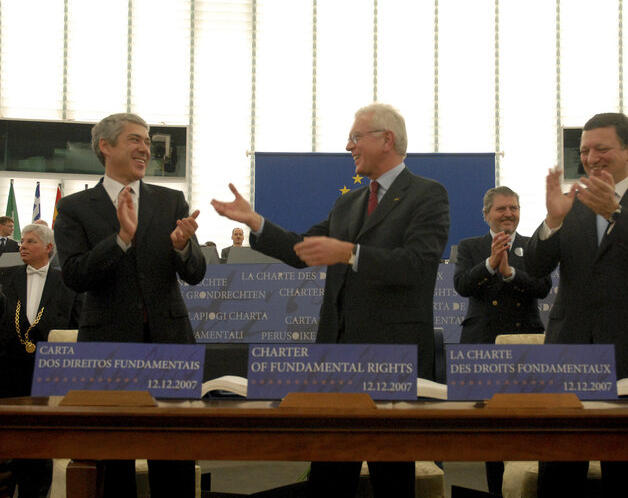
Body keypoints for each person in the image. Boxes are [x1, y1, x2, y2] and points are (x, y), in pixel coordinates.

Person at [212, 102, 450, 498]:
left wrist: (350, 254)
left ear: (386, 139)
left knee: (391, 479)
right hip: (334, 363)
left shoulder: (427, 194)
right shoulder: (348, 203)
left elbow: (418, 265)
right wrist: (256, 222)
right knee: (329, 476)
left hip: (390, 361)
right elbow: (299, 250)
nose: (348, 146)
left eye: (356, 137)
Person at [524, 113, 628, 498]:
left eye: (602, 148)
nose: (592, 158)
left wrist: (615, 211)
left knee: (623, 470)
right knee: (560, 466)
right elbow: (535, 268)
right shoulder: (570, 201)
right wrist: (553, 222)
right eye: (584, 151)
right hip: (569, 348)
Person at [54, 112, 206, 498]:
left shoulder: (171, 199)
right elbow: (73, 275)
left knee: (173, 455)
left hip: (170, 344)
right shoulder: (74, 208)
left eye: (147, 142)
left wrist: (182, 247)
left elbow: (195, 274)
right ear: (105, 146)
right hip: (107, 348)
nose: (145, 149)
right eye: (135, 140)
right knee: (110, 460)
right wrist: (121, 238)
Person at [453, 186, 551, 497]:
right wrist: (490, 264)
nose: (508, 213)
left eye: (513, 208)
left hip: (527, 344)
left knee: (531, 423)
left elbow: (543, 287)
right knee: (491, 428)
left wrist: (510, 273)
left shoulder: (533, 246)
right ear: (486, 215)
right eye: (501, 209)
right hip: (483, 344)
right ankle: (497, 489)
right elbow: (462, 286)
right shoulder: (469, 246)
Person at [0, 223, 79, 498]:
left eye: (31, 241)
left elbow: (76, 326)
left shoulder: (67, 283)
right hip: (8, 371)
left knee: (41, 440)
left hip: (49, 373)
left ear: (48, 248)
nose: (22, 245)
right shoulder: (4, 277)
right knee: (9, 440)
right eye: (22, 241)